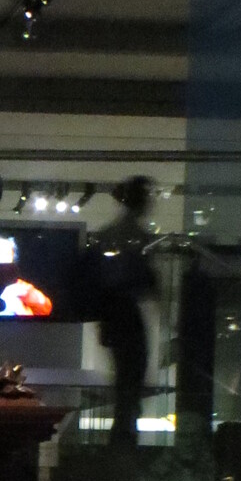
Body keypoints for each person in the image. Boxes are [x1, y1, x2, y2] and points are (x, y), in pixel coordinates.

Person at [89, 176, 157, 447]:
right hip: (124, 312)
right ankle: (124, 435)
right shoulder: (133, 236)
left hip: (114, 313)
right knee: (131, 375)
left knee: (126, 377)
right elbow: (138, 281)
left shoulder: (112, 233)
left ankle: (123, 433)